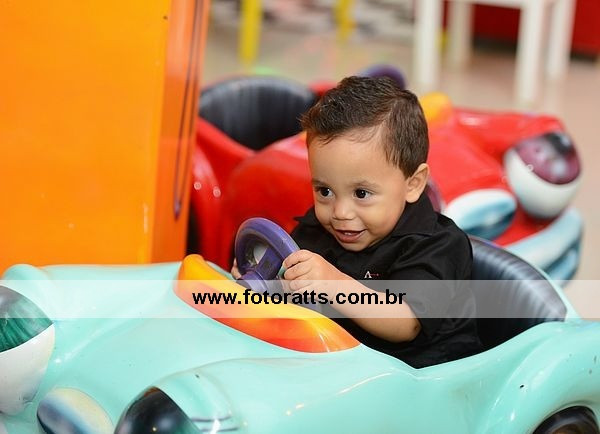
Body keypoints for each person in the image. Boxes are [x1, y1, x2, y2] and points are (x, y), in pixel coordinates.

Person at [234, 76, 481, 368]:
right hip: (343, 367)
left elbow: (406, 322)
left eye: (361, 193)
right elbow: (294, 295)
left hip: (424, 376)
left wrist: (332, 283)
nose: (340, 212)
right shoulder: (318, 229)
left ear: (413, 184)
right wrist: (264, 282)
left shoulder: (438, 245)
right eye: (324, 191)